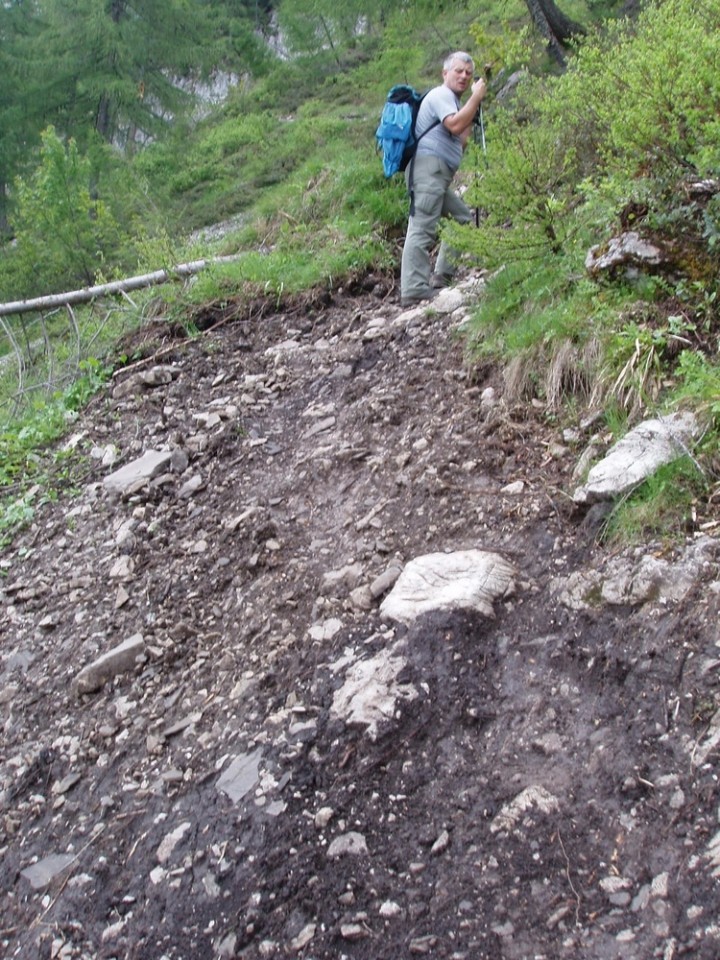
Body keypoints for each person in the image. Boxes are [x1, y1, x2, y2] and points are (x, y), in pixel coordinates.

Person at [400, 52, 487, 308]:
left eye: (468, 73)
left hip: (438, 174)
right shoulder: (440, 96)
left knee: (461, 219)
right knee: (422, 226)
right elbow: (454, 126)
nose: (463, 76)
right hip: (428, 171)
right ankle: (414, 289)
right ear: (445, 73)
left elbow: (461, 140)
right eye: (458, 71)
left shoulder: (454, 103)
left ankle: (442, 278)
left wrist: (473, 108)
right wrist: (475, 97)